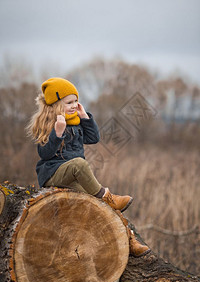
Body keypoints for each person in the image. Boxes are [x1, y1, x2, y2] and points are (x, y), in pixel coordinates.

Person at [27, 77, 150, 257]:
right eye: (69, 102)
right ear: (56, 105)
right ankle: (106, 196)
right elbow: (45, 154)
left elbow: (94, 138)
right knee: (80, 164)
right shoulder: (49, 124)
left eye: (76, 101)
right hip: (53, 174)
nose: (75, 105)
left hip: (72, 177)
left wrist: (85, 117)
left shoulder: (76, 122)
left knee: (99, 205)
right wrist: (58, 133)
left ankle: (129, 241)